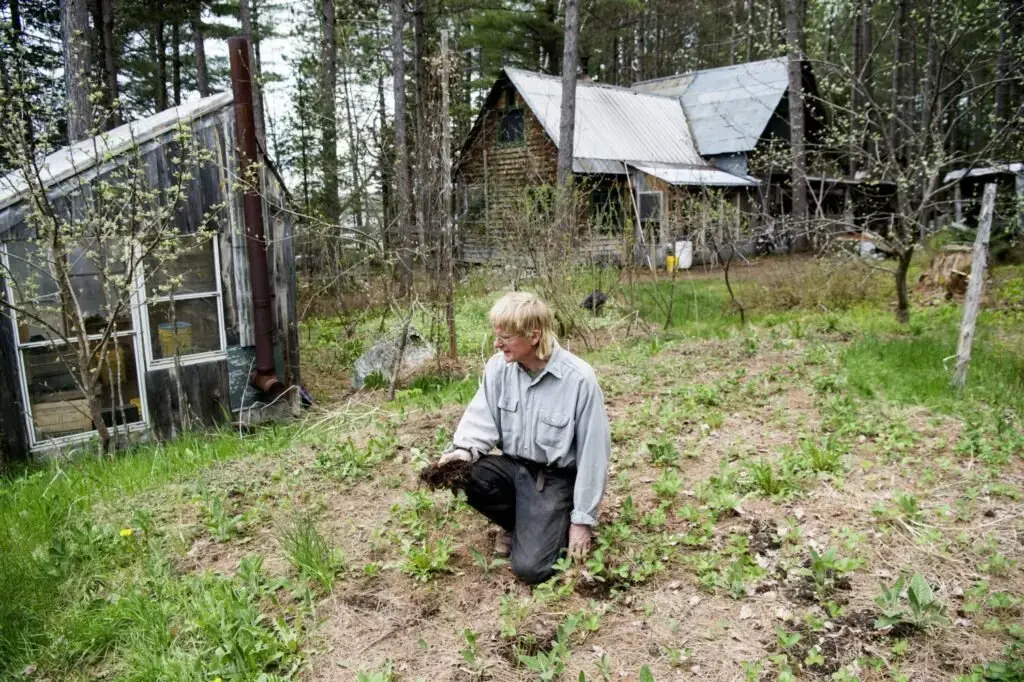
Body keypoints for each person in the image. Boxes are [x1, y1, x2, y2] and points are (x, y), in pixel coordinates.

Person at [438, 292, 611, 584]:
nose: (497, 344)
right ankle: (517, 523)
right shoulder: (498, 367)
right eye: (497, 336)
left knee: (532, 569)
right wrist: (461, 453)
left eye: (505, 337)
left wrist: (582, 519)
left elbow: (593, 455)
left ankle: (556, 518)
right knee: (459, 474)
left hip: (553, 479)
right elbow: (481, 419)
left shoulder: (579, 379)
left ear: (533, 336)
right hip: (511, 467)